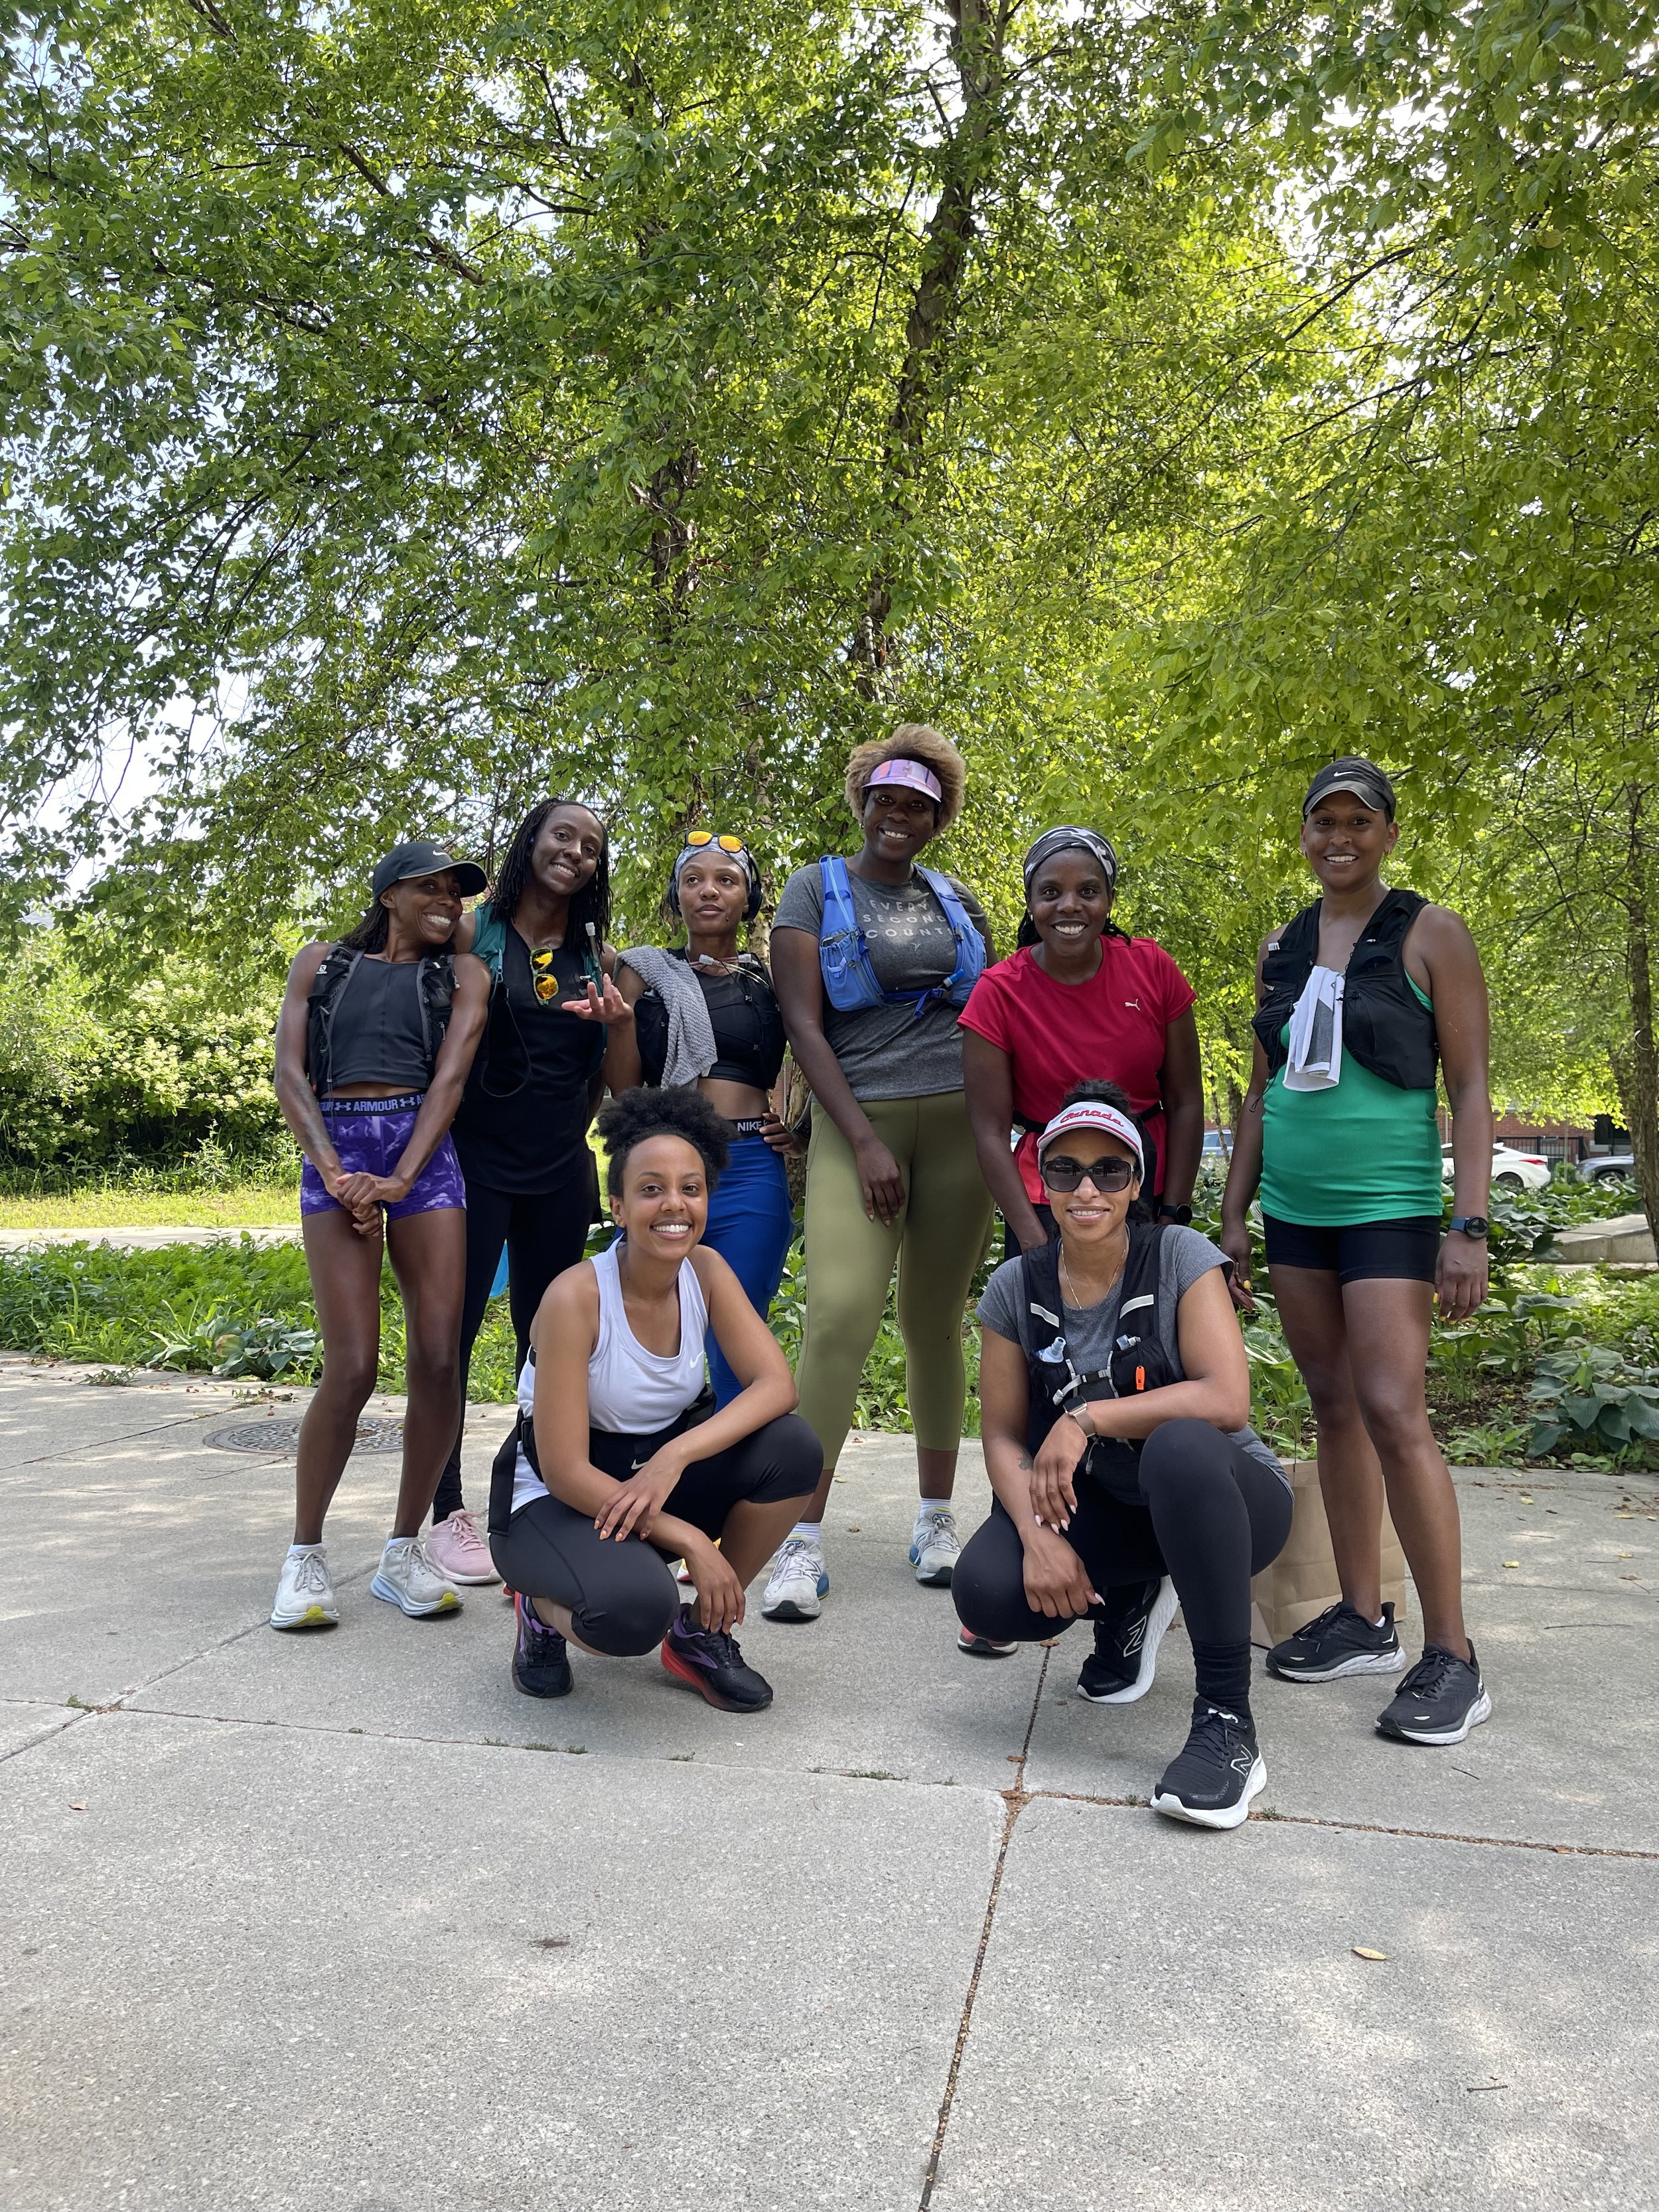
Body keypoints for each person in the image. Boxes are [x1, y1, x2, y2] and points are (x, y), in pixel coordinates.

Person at [1220, 757, 1495, 1747]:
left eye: (1358, 821)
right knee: (1332, 1403)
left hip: (1387, 1206)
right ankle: (1366, 1618)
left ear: (1387, 832)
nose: (1339, 837)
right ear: (1303, 833)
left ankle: (1454, 1655)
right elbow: (1260, 1093)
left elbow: (1468, 1089)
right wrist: (1232, 1217)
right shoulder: (1283, 946)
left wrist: (1467, 1227)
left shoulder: (1431, 933)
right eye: (1321, 821)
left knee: (1392, 1407)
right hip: (1296, 1209)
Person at [954, 1083, 1292, 1828]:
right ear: (1041, 1181)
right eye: (1067, 1169)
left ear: (1136, 1182)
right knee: (990, 1594)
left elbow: (1225, 1399)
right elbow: (1004, 1436)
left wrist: (1085, 1417)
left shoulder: (1178, 1256)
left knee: (1175, 1445)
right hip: (1115, 1498)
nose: (1087, 1187)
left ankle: (1228, 1724)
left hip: (1228, 1496)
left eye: (1109, 1170)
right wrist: (1040, 1538)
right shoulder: (1016, 1286)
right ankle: (1138, 1592)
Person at [488, 1087, 820, 1712]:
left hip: (648, 1479)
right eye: (651, 1188)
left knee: (793, 1447)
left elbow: (778, 1387)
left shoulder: (707, 1271)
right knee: (631, 1614)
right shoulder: (575, 1298)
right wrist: (692, 1541)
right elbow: (564, 1470)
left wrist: (675, 1458)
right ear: (617, 1205)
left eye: (691, 1188)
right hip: (556, 1502)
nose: (675, 1205)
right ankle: (538, 1607)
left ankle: (700, 1634)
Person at [765, 725, 996, 1620]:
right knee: (838, 1316)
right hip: (859, 1121)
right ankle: (797, 1535)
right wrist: (858, 1137)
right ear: (863, 802)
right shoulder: (812, 890)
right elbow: (804, 1024)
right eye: (887, 800)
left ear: (939, 818)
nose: (899, 816)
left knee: (937, 1322)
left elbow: (1001, 1003)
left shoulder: (953, 898)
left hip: (957, 1122)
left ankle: (937, 1519)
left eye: (919, 806)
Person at [269, 840, 492, 1630]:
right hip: (336, 1148)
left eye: (456, 894)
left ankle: (403, 1551)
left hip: (423, 1158)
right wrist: (335, 1173)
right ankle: (305, 1557)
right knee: (353, 1364)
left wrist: (398, 1178)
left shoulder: (463, 975)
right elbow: (290, 1077)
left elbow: (452, 1079)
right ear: (388, 893)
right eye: (429, 888)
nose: (446, 902)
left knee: (437, 1356)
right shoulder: (319, 964)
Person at [425, 798, 632, 1587]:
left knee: (546, 1350)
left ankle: (528, 1501)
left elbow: (620, 1089)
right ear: (531, 843)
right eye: (561, 836)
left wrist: (617, 1024)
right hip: (469, 1164)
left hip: (558, 1172)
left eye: (590, 847)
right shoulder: (471, 930)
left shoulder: (597, 957)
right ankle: (443, 1513)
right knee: (448, 1340)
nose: (574, 853)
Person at [603, 832, 798, 1406]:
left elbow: (805, 1052)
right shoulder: (642, 971)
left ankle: (737, 1482)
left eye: (726, 880)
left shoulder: (770, 979)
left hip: (749, 1169)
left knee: (737, 1334)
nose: (708, 891)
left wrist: (796, 1122)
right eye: (694, 880)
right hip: (666, 1165)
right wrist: (618, 1025)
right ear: (677, 896)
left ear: (749, 899)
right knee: (641, 1323)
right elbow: (623, 1088)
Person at [960, 826, 1203, 1256]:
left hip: (1145, 1186)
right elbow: (990, 1131)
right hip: (1046, 1196)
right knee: (1050, 1322)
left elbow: (1185, 1101)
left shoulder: (1153, 968)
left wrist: (1173, 1214)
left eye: (1087, 891)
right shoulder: (998, 991)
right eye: (1051, 892)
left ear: (1108, 900)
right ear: (1031, 902)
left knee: (1146, 1321)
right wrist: (1034, 1242)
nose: (1069, 905)